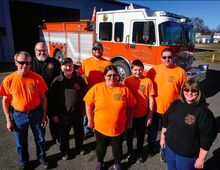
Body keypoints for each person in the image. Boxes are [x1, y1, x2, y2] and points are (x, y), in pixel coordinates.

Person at [0, 51, 49, 169]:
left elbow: (43, 98)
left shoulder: (37, 78)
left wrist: (44, 115)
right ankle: (23, 162)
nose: (24, 65)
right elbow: (5, 101)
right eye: (21, 62)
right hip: (18, 116)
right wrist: (8, 120)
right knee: (20, 143)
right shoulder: (8, 80)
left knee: (41, 139)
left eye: (28, 63)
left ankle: (42, 158)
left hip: (36, 114)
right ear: (15, 63)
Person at [83, 65, 136, 170]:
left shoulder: (124, 89)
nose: (112, 78)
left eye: (115, 75)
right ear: (104, 76)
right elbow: (88, 104)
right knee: (100, 147)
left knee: (117, 147)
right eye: (109, 75)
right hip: (100, 127)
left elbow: (131, 106)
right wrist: (90, 120)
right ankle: (100, 162)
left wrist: (129, 121)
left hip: (118, 128)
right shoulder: (97, 88)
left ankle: (117, 163)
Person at [160, 79, 217, 170]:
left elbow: (207, 138)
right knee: (171, 168)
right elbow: (166, 121)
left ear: (199, 92)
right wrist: (162, 138)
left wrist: (201, 158)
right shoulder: (176, 104)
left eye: (194, 90)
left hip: (187, 155)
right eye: (186, 90)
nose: (189, 93)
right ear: (183, 90)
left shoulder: (203, 112)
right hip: (170, 148)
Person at [146, 48, 187, 156]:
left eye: (169, 57)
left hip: (172, 110)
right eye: (164, 57)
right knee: (152, 130)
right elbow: (146, 85)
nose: (167, 59)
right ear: (161, 58)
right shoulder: (153, 70)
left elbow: (185, 92)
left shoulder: (180, 72)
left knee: (169, 132)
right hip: (155, 108)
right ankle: (151, 146)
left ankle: (165, 150)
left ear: (173, 57)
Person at [49, 58, 87, 160]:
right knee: (64, 134)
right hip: (63, 113)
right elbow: (51, 99)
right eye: (65, 65)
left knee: (79, 132)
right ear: (61, 67)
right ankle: (64, 151)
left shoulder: (79, 79)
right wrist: (53, 114)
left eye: (70, 65)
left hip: (78, 113)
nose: (68, 67)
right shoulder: (57, 81)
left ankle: (79, 147)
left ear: (73, 67)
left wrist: (85, 109)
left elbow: (87, 94)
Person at [78, 41, 112, 138]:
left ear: (102, 50)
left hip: (102, 93)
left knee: (99, 111)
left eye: (99, 49)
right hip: (88, 92)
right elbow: (78, 74)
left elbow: (113, 77)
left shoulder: (108, 63)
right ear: (92, 50)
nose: (97, 51)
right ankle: (86, 130)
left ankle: (97, 129)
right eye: (95, 49)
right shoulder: (86, 62)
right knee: (86, 111)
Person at [123, 59, 155, 163]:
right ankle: (130, 151)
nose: (138, 72)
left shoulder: (148, 81)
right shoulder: (127, 81)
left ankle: (140, 151)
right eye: (135, 70)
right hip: (129, 115)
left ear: (143, 69)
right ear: (131, 69)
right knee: (129, 135)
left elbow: (151, 99)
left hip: (142, 114)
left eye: (140, 70)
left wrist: (150, 115)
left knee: (141, 135)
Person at [31, 42, 61, 144]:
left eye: (44, 50)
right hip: (37, 98)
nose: (42, 52)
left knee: (54, 119)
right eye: (39, 50)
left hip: (52, 97)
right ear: (35, 51)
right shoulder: (30, 63)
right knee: (40, 121)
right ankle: (41, 140)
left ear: (47, 51)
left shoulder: (55, 62)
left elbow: (60, 77)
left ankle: (56, 136)